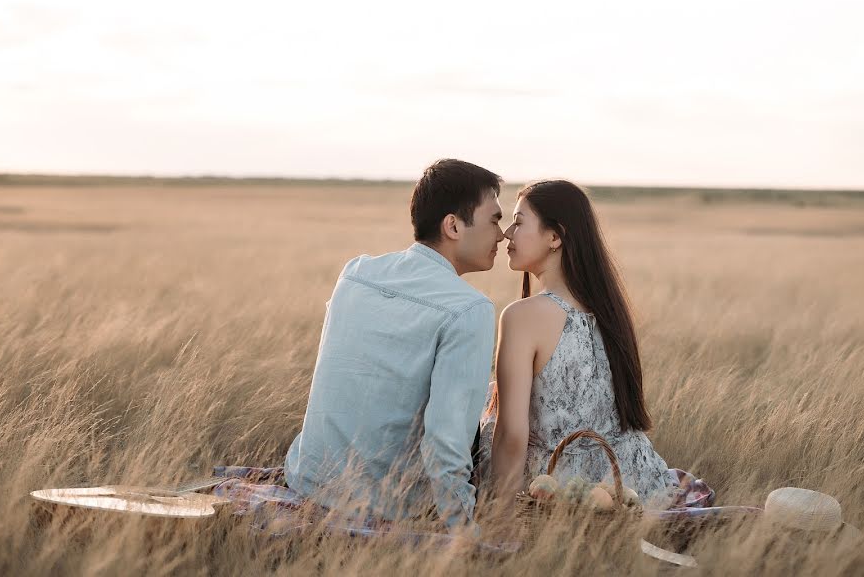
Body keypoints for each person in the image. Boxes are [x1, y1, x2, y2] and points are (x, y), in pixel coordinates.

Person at [284, 159, 505, 538]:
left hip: (306, 477)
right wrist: (464, 533)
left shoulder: (355, 272)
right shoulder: (470, 310)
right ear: (453, 226)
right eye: (494, 220)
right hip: (388, 503)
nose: (501, 235)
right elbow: (445, 446)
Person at [481, 180, 676, 510]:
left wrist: (500, 515)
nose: (506, 234)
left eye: (519, 221)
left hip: (562, 484)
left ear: (555, 236)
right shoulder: (607, 308)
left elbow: (513, 434)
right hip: (634, 478)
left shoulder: (523, 316)